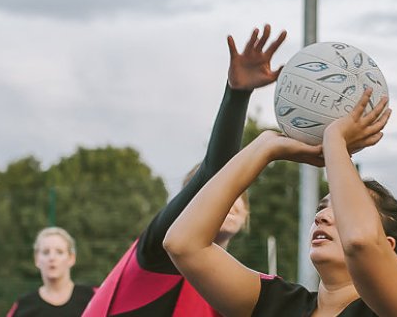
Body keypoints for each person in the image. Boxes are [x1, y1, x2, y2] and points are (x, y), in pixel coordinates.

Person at [164, 89, 397, 316]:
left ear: (387, 245)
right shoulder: (280, 305)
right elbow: (183, 244)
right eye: (321, 208)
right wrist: (265, 147)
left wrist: (335, 142)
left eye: (339, 210)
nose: (322, 217)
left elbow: (361, 242)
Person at [82, 24, 287, 316]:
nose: (226, 199)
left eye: (236, 193)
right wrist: (237, 95)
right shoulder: (160, 252)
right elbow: (215, 173)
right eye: (208, 193)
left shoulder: (233, 285)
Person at [7, 227, 96, 316]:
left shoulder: (92, 298)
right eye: (46, 252)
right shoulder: (24, 306)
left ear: (71, 258)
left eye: (59, 252)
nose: (52, 258)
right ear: (36, 259)